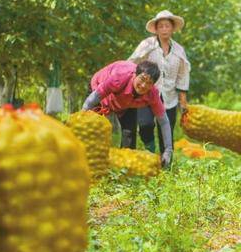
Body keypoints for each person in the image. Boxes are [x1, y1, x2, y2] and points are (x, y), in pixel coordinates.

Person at [81, 59, 173, 168]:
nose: (143, 85)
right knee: (92, 131)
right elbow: (93, 99)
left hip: (127, 103)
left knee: (129, 135)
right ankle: (87, 164)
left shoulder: (152, 94)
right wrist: (82, 116)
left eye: (149, 83)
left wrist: (168, 150)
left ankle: (123, 170)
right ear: (135, 74)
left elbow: (163, 121)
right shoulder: (119, 78)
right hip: (99, 93)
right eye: (142, 79)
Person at [121, 10, 190, 154]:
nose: (164, 29)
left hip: (169, 96)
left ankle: (167, 165)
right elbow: (131, 63)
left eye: (167, 26)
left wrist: (183, 101)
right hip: (146, 93)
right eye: (161, 26)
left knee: (166, 132)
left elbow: (183, 75)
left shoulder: (179, 50)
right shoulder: (147, 45)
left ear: (172, 28)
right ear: (156, 29)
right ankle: (150, 149)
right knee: (145, 125)